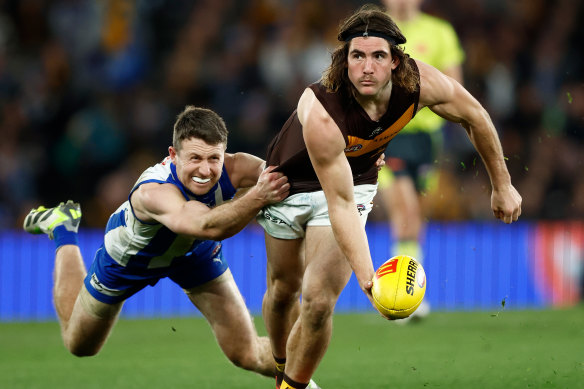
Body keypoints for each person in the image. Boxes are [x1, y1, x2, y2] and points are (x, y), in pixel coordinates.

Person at [256, 5, 521, 389]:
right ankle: (281, 366)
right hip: (289, 184)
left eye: (378, 56)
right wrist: (371, 282)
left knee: (316, 300)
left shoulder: (420, 84)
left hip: (354, 182)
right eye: (357, 56)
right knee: (283, 291)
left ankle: (291, 385)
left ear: (395, 60)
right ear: (343, 61)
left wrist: (502, 184)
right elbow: (338, 203)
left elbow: (475, 116)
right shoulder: (322, 111)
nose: (367, 67)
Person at [23, 106, 290, 379]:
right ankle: (64, 227)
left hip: (193, 253)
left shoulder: (237, 167)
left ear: (225, 154)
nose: (205, 169)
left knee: (247, 353)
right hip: (129, 260)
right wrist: (259, 197)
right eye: (195, 158)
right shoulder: (153, 192)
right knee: (80, 345)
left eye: (214, 158)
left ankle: (304, 383)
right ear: (173, 155)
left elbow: (285, 176)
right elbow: (206, 225)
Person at [378, 0, 466, 319]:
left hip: (427, 138)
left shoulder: (439, 32)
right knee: (405, 210)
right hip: (388, 133)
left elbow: (454, 87)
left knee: (414, 217)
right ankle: (401, 297)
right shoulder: (374, 30)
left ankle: (404, 292)